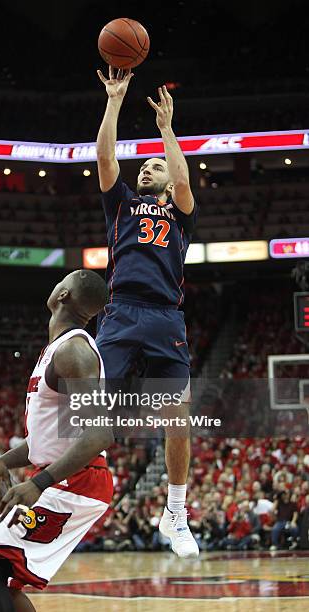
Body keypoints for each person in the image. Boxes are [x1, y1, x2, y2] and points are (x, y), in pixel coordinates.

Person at [95, 66, 198, 558]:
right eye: (145, 167)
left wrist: (166, 132)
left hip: (165, 316)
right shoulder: (121, 206)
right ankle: (57, 488)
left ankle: (176, 512)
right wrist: (115, 102)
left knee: (179, 415)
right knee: (91, 413)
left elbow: (182, 181)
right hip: (122, 310)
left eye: (154, 166)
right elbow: (104, 157)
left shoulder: (179, 212)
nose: (147, 170)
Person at [0, 269, 114, 612]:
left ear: (63, 294)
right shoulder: (56, 351)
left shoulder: (73, 352)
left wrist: (39, 483)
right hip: (69, 477)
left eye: (60, 281)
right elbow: (44, 442)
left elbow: (99, 433)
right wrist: (2, 460)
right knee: (5, 584)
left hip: (77, 481)